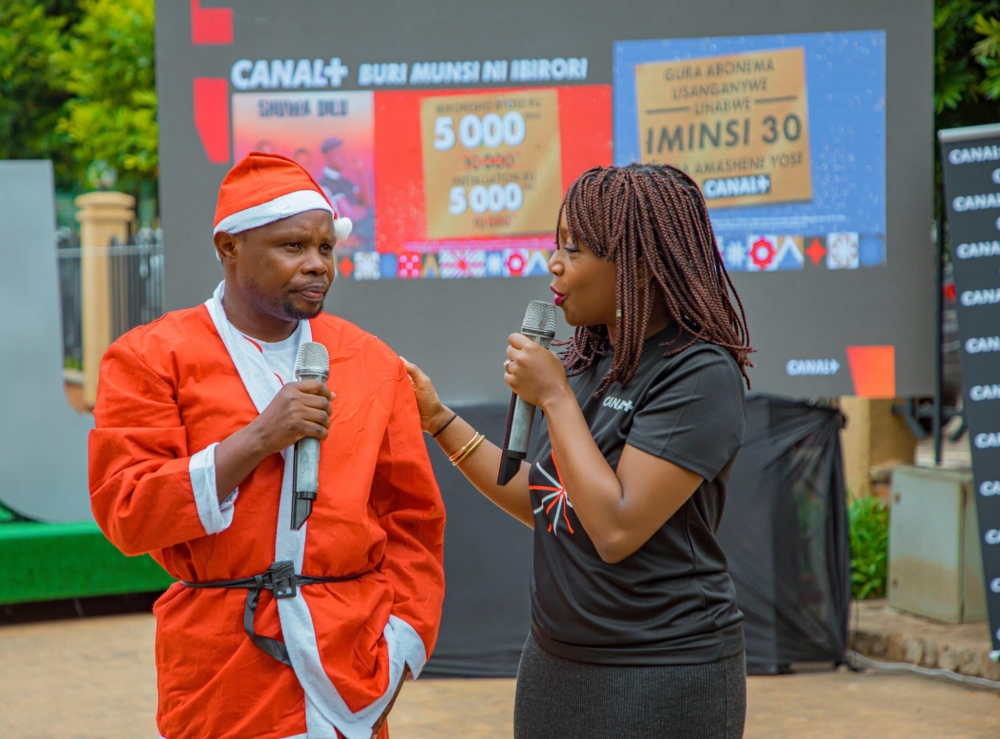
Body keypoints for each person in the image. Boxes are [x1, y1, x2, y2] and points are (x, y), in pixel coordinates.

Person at [89, 152, 445, 739]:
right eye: (292, 247)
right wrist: (257, 439)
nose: (317, 266)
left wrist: (402, 640)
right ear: (229, 247)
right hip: (221, 672)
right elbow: (127, 513)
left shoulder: (371, 361)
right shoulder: (151, 357)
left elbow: (413, 520)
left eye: (326, 248)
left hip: (352, 664)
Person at [404, 163, 753, 739]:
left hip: (663, 672)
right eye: (555, 245)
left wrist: (556, 397)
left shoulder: (697, 372)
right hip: (555, 666)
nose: (555, 265)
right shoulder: (592, 363)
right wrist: (438, 419)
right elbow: (550, 502)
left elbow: (614, 529)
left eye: (576, 249)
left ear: (639, 265)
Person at [318, 137, 374, 249]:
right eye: (339, 154)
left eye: (344, 153)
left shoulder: (345, 183)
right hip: (342, 246)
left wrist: (360, 170)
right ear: (328, 156)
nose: (343, 157)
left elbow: (367, 203)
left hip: (357, 243)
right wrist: (361, 210)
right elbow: (350, 216)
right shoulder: (325, 184)